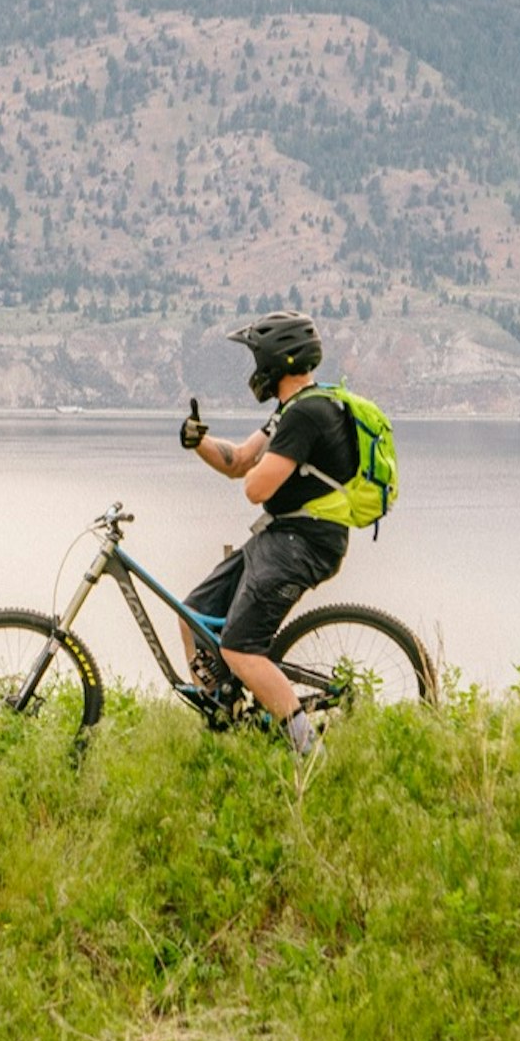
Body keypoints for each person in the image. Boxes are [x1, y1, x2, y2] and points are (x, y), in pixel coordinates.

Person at [176, 310, 369, 759]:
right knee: (193, 615)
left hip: (305, 543)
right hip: (280, 535)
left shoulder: (309, 415)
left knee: (241, 649)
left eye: (257, 361)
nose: (254, 373)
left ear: (275, 362)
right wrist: (198, 442)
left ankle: (309, 753)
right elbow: (240, 461)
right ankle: (226, 711)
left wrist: (258, 471)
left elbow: (254, 487)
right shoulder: (291, 411)